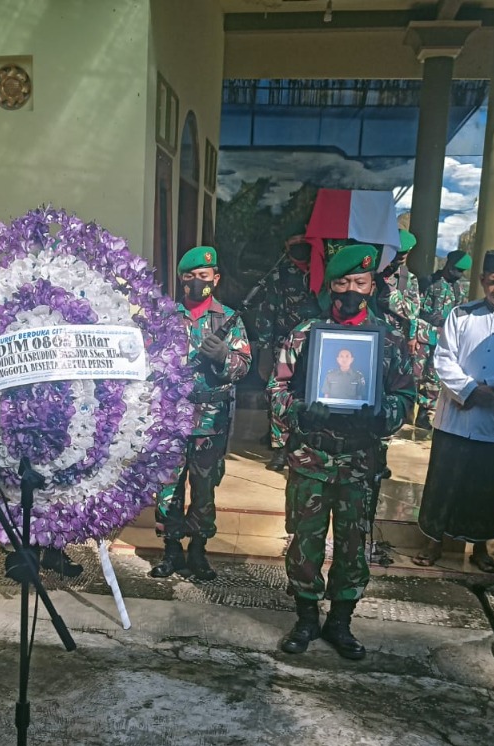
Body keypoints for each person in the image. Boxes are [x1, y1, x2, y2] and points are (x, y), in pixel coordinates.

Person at [270, 244, 415, 657]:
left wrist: (379, 414)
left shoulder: (389, 340)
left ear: (372, 286)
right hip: (312, 460)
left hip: (360, 461)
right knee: (304, 544)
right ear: (330, 286)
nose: (351, 290)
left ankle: (340, 623)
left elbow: (406, 398)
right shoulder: (304, 333)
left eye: (360, 282)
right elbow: (276, 388)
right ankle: (305, 620)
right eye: (342, 282)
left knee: (354, 547)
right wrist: (300, 414)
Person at [413, 248, 494, 572]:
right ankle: (433, 542)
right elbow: (443, 358)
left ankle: (481, 548)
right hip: (456, 417)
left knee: (485, 488)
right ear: (482, 280)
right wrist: (470, 389)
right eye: (492, 282)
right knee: (443, 484)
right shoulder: (461, 314)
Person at [151, 245, 251, 581]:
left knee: (204, 488)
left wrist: (224, 355)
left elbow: (243, 368)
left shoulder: (229, 319)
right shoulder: (165, 318)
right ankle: (170, 549)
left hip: (210, 420)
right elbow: (146, 364)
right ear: (181, 280)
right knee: (168, 487)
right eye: (190, 276)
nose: (197, 282)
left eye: (204, 276)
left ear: (216, 278)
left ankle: (198, 550)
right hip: (171, 419)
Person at [255, 236, 314, 472]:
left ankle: (302, 443)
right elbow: (267, 311)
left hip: (314, 344)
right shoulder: (280, 274)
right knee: (278, 391)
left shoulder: (321, 271)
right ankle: (280, 449)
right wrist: (263, 345)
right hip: (284, 342)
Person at [413, 249, 472, 425]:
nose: (460, 274)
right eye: (457, 270)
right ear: (449, 265)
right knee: (414, 375)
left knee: (434, 377)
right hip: (423, 336)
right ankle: (406, 409)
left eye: (462, 272)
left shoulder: (458, 289)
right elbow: (416, 310)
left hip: (443, 341)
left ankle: (425, 414)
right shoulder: (427, 282)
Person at [377, 228, 421, 342]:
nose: (402, 257)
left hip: (395, 338)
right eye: (398, 253)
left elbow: (413, 313)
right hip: (372, 332)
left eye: (405, 253)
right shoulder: (371, 273)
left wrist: (390, 293)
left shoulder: (408, 279)